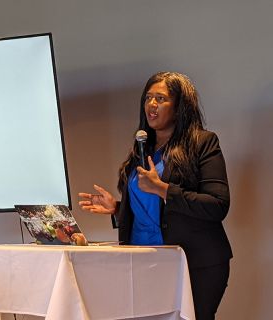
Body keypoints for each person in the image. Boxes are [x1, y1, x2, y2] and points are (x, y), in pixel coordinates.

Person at [79, 72, 232, 320]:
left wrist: (163, 189)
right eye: (148, 98)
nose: (151, 105)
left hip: (194, 262)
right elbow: (152, 211)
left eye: (161, 99)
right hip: (143, 260)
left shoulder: (203, 142)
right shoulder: (142, 148)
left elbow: (217, 206)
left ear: (180, 106)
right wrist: (118, 209)